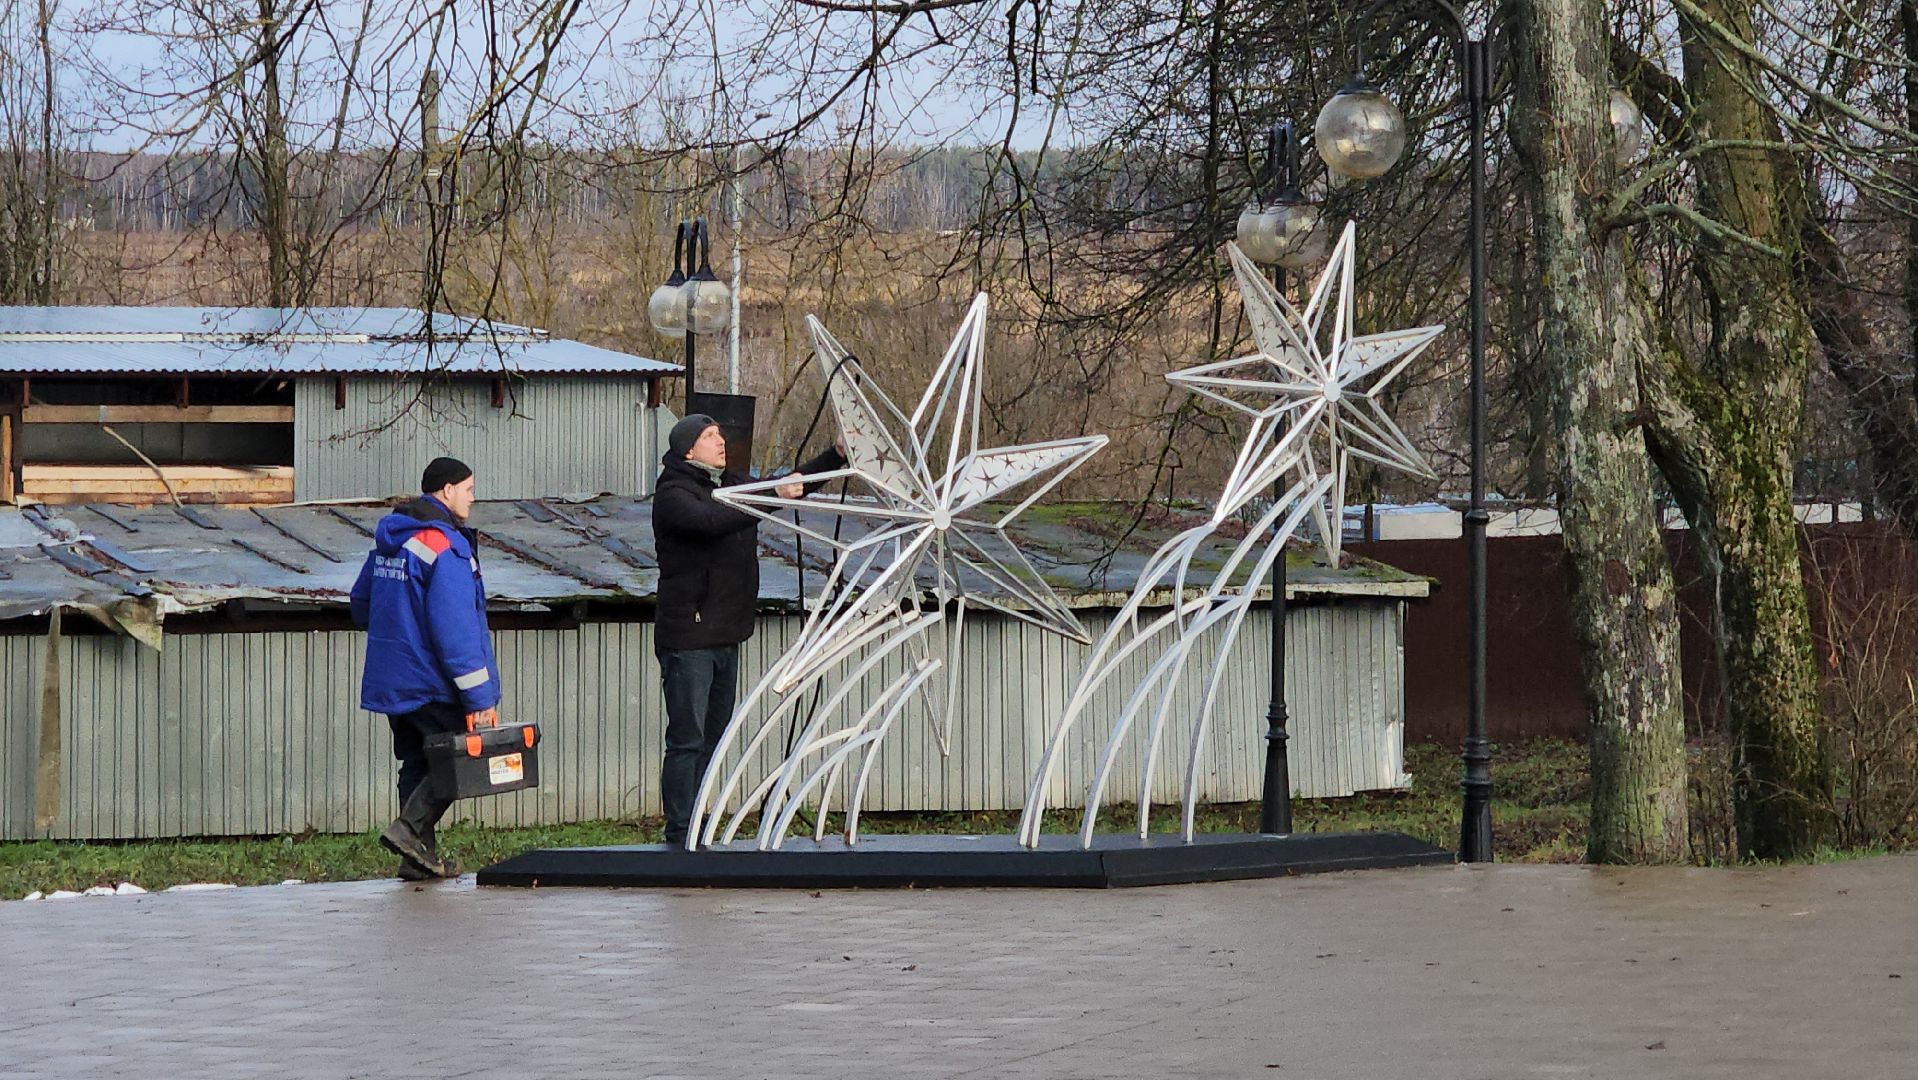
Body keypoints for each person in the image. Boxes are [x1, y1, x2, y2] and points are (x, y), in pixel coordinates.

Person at [653, 414, 845, 847]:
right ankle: (680, 831)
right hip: (689, 637)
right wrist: (768, 495)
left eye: (720, 433)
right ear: (687, 449)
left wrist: (833, 457)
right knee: (688, 738)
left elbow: (789, 484)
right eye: (708, 436)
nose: (720, 441)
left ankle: (700, 823)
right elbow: (712, 521)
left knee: (714, 738)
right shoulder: (674, 493)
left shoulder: (730, 483)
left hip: (726, 634)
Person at [349, 456, 500, 880]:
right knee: (457, 761)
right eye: (469, 489)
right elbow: (457, 631)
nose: (473, 497)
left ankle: (417, 859)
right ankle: (410, 830)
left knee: (416, 763)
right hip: (432, 680)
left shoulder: (390, 541)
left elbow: (361, 604)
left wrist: (398, 627)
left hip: (394, 678)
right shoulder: (445, 545)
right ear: (447, 490)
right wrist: (480, 698)